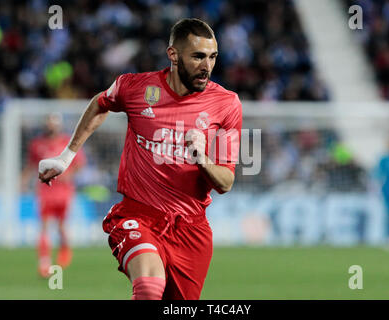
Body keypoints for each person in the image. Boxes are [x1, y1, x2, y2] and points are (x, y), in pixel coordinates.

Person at [38, 18, 242, 300]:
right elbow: (101, 104)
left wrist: (203, 159)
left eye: (212, 57)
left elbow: (226, 182)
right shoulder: (136, 88)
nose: (206, 66)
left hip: (191, 231)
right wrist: (66, 157)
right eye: (197, 56)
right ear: (173, 55)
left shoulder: (227, 104)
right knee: (148, 286)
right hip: (139, 215)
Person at [22, 113, 86, 278]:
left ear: (58, 125)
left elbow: (79, 164)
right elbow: (31, 165)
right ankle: (44, 263)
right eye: (49, 123)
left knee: (61, 226)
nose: (51, 126)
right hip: (45, 191)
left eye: (54, 123)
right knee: (43, 226)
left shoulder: (68, 143)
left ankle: (64, 250)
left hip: (64, 191)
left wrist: (68, 174)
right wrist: (22, 181)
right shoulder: (37, 144)